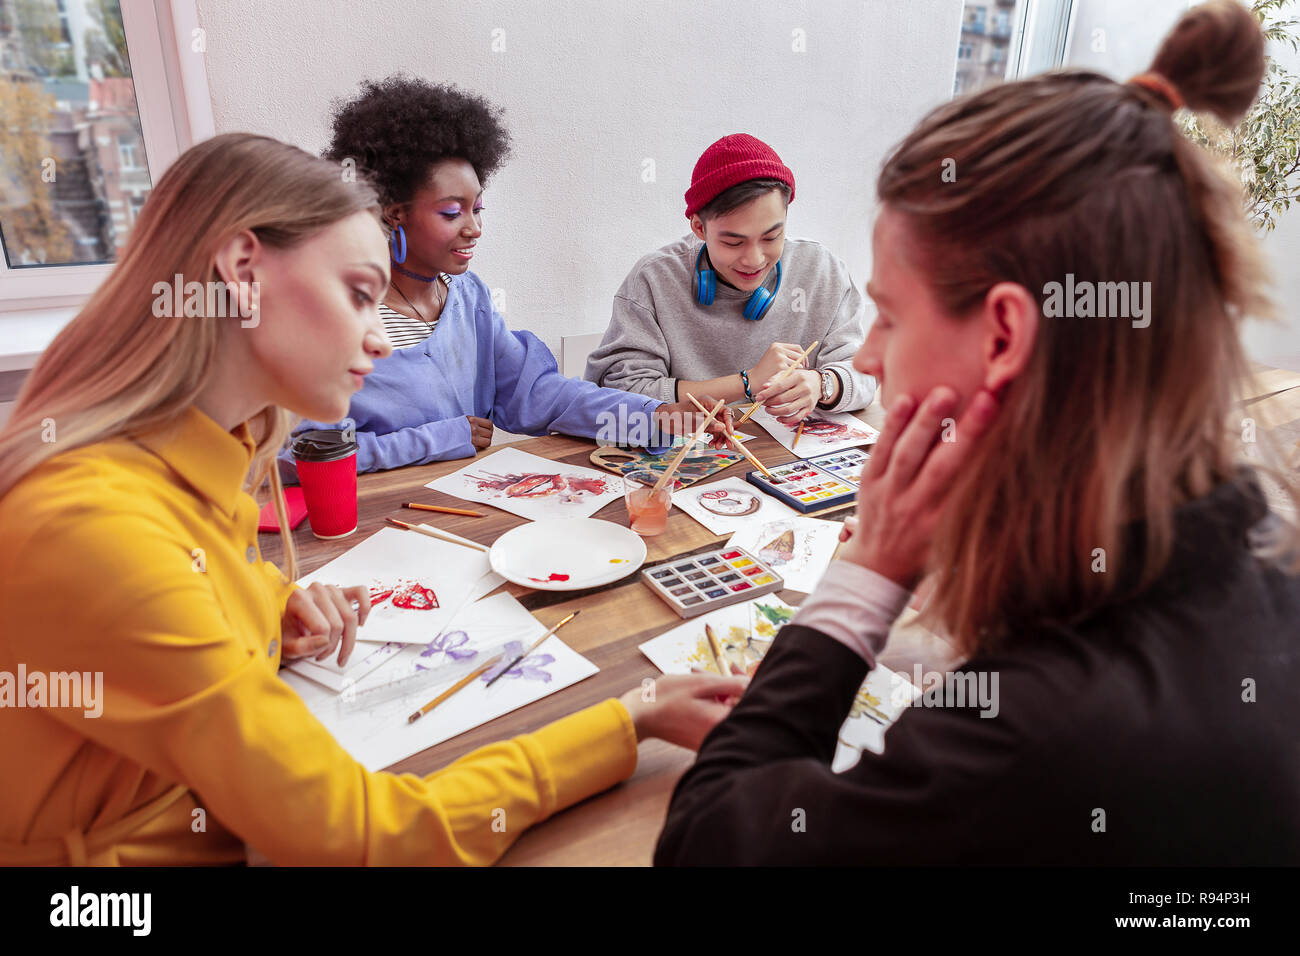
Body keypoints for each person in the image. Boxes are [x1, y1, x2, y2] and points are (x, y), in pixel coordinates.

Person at [655, 0, 1300, 865]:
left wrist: (863, 579)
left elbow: (709, 840)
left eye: (889, 316)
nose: (872, 359)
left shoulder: (1034, 738)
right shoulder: (1249, 556)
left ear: (1003, 337)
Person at [0, 133, 747, 866]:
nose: (382, 339)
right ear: (241, 270)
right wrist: (630, 718)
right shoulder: (96, 529)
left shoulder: (200, 460)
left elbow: (199, 585)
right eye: (358, 294)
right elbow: (366, 834)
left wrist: (268, 607)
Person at [278, 77, 727, 483]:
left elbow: (540, 395)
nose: (473, 227)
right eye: (452, 212)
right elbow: (297, 457)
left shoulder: (467, 296)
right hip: (367, 526)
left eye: (478, 209)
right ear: (394, 212)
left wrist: (658, 416)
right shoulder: (339, 315)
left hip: (467, 513)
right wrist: (438, 438)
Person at [584, 133, 876, 426]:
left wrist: (822, 384)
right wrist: (746, 382)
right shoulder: (654, 279)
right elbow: (620, 393)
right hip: (688, 455)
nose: (754, 259)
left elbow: (866, 373)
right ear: (700, 227)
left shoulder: (821, 271)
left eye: (772, 237)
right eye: (733, 243)